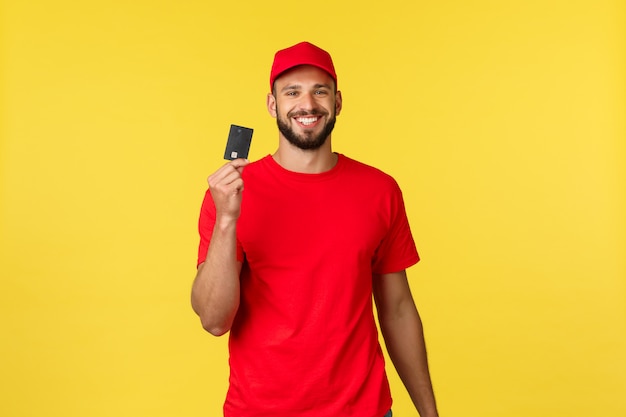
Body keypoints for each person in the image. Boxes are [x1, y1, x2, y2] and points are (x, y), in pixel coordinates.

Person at [191, 41, 439, 417]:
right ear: (273, 105)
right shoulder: (229, 194)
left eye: (319, 91)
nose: (307, 104)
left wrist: (429, 412)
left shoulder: (379, 190)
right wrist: (227, 219)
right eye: (292, 92)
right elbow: (213, 320)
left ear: (337, 102)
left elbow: (399, 310)